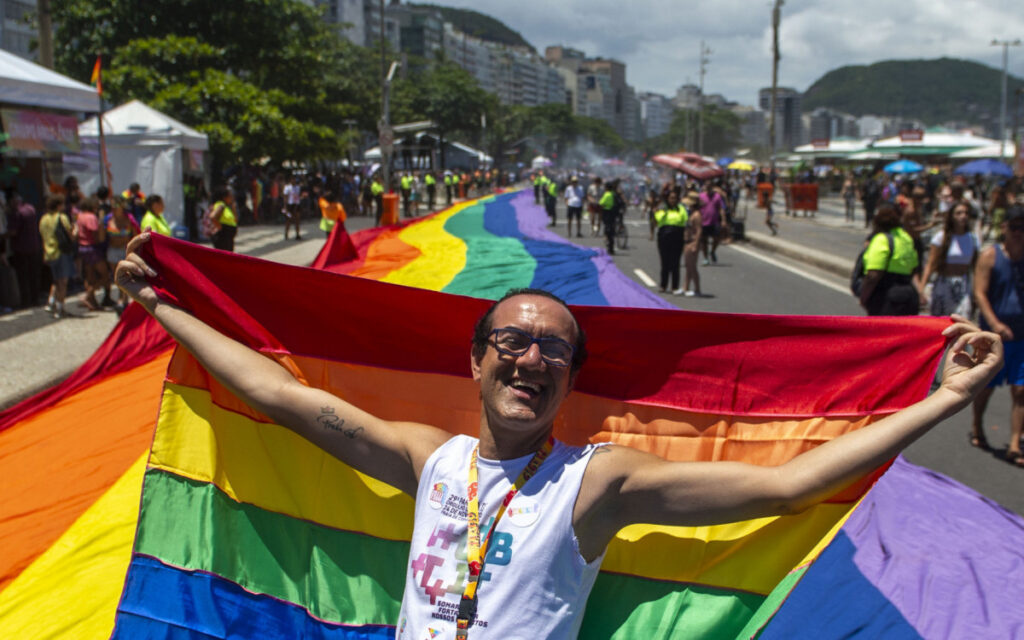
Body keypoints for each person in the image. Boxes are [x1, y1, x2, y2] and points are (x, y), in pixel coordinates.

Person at [115, 239, 1002, 638]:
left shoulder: (595, 483)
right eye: (511, 340)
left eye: (553, 349)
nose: (530, 357)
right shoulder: (432, 460)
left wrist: (942, 397)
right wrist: (159, 306)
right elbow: (277, 392)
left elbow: (782, 489)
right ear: (477, 361)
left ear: (570, 380)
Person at [973, 204, 1024, 461]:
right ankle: (977, 426)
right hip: (995, 336)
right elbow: (980, 293)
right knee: (986, 387)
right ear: (1004, 227)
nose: (1019, 233)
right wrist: (994, 323)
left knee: (1021, 390)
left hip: (1021, 334)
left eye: (1023, 227)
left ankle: (1015, 443)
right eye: (1014, 227)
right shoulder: (990, 256)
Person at [858, 203, 920, 316]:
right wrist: (920, 293)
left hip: (887, 297)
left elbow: (873, 275)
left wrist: (864, 296)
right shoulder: (906, 238)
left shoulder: (881, 239)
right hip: (909, 296)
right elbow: (913, 268)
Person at [920, 201, 978, 318]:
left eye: (966, 213)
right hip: (943, 284)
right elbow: (931, 264)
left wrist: (976, 292)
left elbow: (975, 268)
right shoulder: (941, 237)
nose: (963, 216)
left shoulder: (972, 239)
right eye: (959, 213)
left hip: (963, 285)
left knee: (962, 319)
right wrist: (922, 288)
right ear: (952, 217)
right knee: (941, 322)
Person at [39, 195, 75, 319]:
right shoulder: (61, 217)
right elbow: (70, 235)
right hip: (61, 252)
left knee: (56, 279)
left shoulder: (43, 219)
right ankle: (60, 308)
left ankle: (51, 302)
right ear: (58, 205)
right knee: (63, 282)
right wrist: (76, 231)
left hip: (49, 252)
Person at [5, 189, 42, 309]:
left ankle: (26, 301)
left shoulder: (16, 213)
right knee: (33, 274)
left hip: (21, 249)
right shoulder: (31, 209)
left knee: (23, 276)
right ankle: (35, 298)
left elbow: (13, 232)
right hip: (34, 246)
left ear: (13, 201)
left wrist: (4, 235)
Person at [75, 197, 108, 311]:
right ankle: (88, 296)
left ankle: (93, 302)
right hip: (92, 248)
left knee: (90, 277)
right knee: (105, 275)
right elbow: (95, 233)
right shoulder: (91, 217)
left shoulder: (80, 216)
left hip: (82, 248)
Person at [654, 190, 687, 295]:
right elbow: (658, 218)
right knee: (665, 262)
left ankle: (675, 286)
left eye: (675, 198)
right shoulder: (663, 208)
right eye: (671, 198)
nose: (673, 200)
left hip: (677, 237)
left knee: (675, 263)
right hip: (664, 236)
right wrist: (663, 210)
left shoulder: (681, 209)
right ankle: (663, 285)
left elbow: (684, 220)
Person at [698, 181, 726, 265]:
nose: (708, 187)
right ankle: (705, 258)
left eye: (710, 185)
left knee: (717, 238)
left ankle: (713, 251)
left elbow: (721, 208)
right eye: (707, 185)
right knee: (704, 241)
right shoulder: (701, 196)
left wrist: (724, 220)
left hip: (714, 221)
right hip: (703, 221)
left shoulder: (717, 196)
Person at [682, 191, 703, 297]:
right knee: (688, 266)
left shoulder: (697, 215)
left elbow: (699, 230)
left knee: (692, 267)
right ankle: (686, 286)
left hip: (692, 242)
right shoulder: (691, 213)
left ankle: (697, 288)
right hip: (688, 241)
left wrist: (695, 244)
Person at [207, 187, 239, 252]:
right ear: (224, 197)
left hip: (228, 238)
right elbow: (212, 217)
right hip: (223, 237)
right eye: (230, 196)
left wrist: (234, 209)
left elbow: (235, 220)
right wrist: (220, 227)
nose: (232, 198)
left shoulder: (227, 207)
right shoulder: (221, 205)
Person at [283, 176, 302, 240]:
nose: (293, 181)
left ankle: (297, 234)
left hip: (296, 205)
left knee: (297, 220)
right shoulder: (287, 187)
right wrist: (285, 206)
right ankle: (286, 233)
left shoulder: (298, 187)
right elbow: (285, 197)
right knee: (288, 220)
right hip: (290, 205)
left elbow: (299, 196)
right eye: (292, 179)